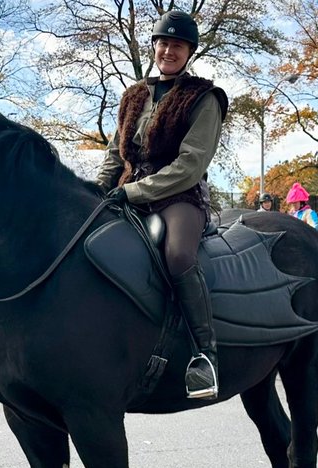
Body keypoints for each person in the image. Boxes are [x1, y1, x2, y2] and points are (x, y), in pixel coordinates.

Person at [97, 11, 228, 402]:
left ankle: (206, 355)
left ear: (189, 52)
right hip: (126, 190)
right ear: (154, 46)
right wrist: (95, 191)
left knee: (177, 255)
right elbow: (113, 156)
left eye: (178, 45)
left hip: (179, 197)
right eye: (163, 43)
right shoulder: (134, 95)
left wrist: (134, 193)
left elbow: (190, 165)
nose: (169, 50)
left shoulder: (204, 98)